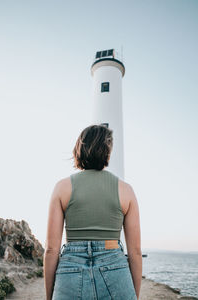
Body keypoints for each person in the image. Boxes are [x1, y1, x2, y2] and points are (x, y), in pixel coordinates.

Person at [43, 124, 142, 300]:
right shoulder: (126, 190)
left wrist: (49, 296)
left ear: (79, 149)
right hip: (114, 266)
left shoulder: (62, 188)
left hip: (70, 269)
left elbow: (51, 249)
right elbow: (135, 252)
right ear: (107, 151)